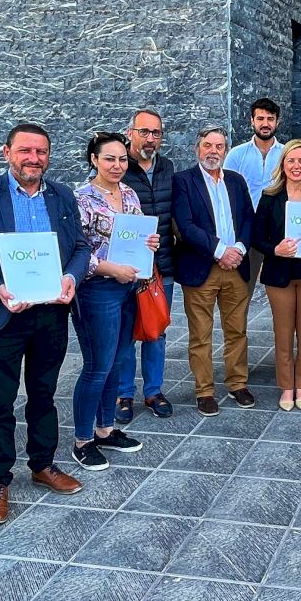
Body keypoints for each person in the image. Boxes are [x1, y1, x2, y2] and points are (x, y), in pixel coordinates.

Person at [0, 124, 89, 525]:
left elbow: (80, 247)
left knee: (44, 393)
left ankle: (43, 464)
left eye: (41, 152)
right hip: (3, 313)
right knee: (0, 399)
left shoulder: (61, 195)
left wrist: (71, 277)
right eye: (25, 150)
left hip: (50, 312)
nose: (33, 158)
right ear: (6, 152)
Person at [70, 133, 157, 470]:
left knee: (118, 361)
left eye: (122, 159)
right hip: (97, 290)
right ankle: (82, 440)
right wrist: (112, 269)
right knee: (97, 366)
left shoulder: (129, 193)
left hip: (127, 288)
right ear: (94, 159)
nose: (117, 165)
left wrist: (149, 243)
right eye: (109, 159)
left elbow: (136, 235)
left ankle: (105, 429)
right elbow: (76, 250)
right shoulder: (81, 198)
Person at [172, 126, 257, 417]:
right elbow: (185, 226)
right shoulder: (183, 181)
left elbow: (248, 219)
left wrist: (240, 249)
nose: (213, 151)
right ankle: (204, 391)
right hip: (201, 267)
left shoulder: (236, 180)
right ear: (197, 148)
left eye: (219, 146)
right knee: (201, 334)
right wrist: (221, 251)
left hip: (236, 266)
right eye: (208, 145)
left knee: (237, 331)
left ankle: (237, 384)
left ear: (226, 150)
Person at [253, 140, 301, 411]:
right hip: (279, 275)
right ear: (283, 164)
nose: (296, 166)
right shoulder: (269, 197)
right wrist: (275, 249)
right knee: (283, 333)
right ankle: (287, 386)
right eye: (291, 160)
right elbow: (256, 237)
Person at [115, 109, 175, 423]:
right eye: (144, 132)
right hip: (125, 267)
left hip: (161, 265)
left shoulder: (168, 167)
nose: (150, 138)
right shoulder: (119, 166)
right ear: (131, 133)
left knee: (156, 330)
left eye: (156, 133)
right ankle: (124, 393)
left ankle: (153, 391)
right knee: (125, 333)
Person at [225, 97, 284, 297]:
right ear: (252, 121)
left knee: (282, 287)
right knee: (242, 289)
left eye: (270, 118)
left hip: (279, 229)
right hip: (247, 228)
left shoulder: (287, 154)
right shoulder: (236, 155)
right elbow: (227, 192)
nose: (265, 123)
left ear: (277, 122)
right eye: (260, 118)